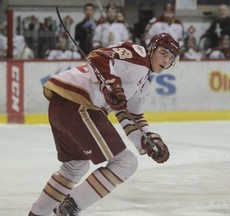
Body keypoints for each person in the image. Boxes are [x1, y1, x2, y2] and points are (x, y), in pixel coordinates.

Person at [28, 32, 179, 216]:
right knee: (126, 163)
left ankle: (36, 214)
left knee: (74, 167)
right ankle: (67, 210)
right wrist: (111, 83)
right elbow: (98, 57)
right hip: (78, 105)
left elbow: (130, 115)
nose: (166, 60)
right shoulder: (138, 54)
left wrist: (148, 139)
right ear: (152, 49)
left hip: (62, 106)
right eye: (163, 53)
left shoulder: (143, 82)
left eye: (171, 57)